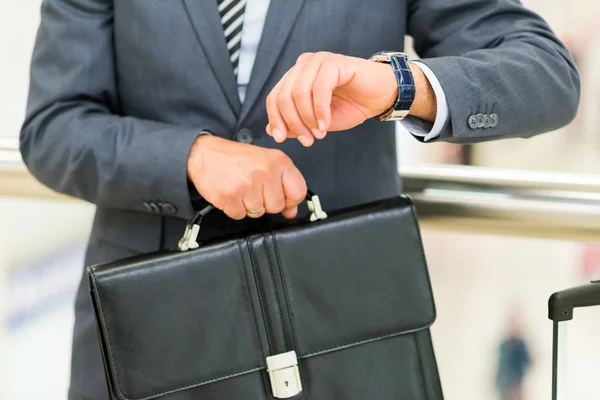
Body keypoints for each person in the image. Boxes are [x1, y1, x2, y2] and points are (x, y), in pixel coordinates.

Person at [20, 0, 579, 399]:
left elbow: (546, 75)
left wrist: (397, 87)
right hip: (149, 338)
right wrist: (191, 158)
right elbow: (55, 127)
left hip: (343, 334)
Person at [495, 310, 533, 400]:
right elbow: (501, 366)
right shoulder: (505, 345)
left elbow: (527, 362)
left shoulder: (520, 344)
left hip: (516, 384)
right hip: (505, 385)